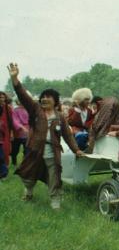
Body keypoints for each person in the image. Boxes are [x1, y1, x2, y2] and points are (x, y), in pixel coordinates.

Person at [7, 63, 84, 210]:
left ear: (55, 101)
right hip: (34, 150)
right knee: (29, 175)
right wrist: (15, 79)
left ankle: (55, 202)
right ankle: (28, 191)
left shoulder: (60, 117)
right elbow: (23, 96)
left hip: (52, 152)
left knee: (54, 176)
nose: (44, 99)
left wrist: (76, 150)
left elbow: (68, 136)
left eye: (48, 97)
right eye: (43, 97)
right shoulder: (36, 110)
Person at [11, 98, 29, 166]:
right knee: (15, 150)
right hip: (18, 133)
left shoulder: (29, 109)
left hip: (28, 132)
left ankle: (25, 163)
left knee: (27, 149)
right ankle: (14, 162)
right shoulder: (15, 110)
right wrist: (21, 127)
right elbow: (15, 120)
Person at [0, 91, 13, 179]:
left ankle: (5, 169)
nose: (1, 99)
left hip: (5, 131)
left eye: (3, 97)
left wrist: (11, 133)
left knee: (5, 149)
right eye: (0, 97)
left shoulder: (8, 108)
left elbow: (11, 122)